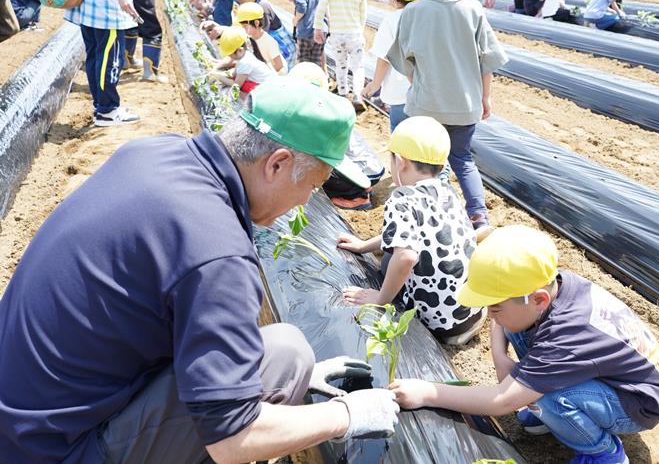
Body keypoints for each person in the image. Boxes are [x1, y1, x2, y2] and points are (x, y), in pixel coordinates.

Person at [0, 78, 401, 463]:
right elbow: (232, 438)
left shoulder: (154, 153)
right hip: (60, 451)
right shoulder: (217, 251)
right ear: (277, 164)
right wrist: (345, 415)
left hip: (25, 425)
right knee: (280, 364)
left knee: (283, 356)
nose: (304, 202)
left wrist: (272, 381)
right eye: (312, 187)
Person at [389, 225, 659, 464]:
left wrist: (428, 393)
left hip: (638, 403)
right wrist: (500, 354)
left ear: (539, 299)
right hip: (615, 377)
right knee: (518, 329)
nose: (489, 315)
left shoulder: (564, 336)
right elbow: (508, 321)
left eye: (494, 307)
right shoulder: (554, 287)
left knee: (548, 398)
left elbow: (502, 401)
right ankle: (554, 411)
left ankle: (604, 453)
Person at [387, 0, 507, 233]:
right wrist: (485, 97)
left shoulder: (413, 11)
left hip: (426, 107)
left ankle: (437, 216)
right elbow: (487, 60)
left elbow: (406, 63)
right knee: (462, 159)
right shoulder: (473, 10)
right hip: (464, 106)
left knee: (429, 164)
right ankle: (478, 215)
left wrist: (419, 86)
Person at [338, 116, 487, 344]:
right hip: (470, 313)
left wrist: (381, 299)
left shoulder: (402, 198)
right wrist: (363, 246)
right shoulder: (448, 192)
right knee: (398, 250)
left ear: (400, 162)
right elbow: (410, 234)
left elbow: (406, 256)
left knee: (391, 261)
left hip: (438, 323)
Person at [65, 0, 141, 126]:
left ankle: (101, 106)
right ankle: (107, 110)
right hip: (106, 1)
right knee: (110, 58)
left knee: (95, 56)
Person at [362, 0, 428, 131]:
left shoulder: (391, 21)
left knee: (400, 136)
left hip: (401, 94)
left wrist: (375, 85)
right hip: (426, 93)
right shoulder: (428, 17)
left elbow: (384, 60)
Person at [313, 0, 367, 109]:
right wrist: (360, 31)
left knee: (341, 64)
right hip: (354, 34)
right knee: (358, 66)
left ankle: (343, 93)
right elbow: (363, 15)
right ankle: (358, 95)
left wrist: (318, 29)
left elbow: (320, 9)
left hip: (336, 34)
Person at [282, 0, 325, 70]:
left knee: (303, 62)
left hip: (305, 31)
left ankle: (305, 80)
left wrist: (295, 20)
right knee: (316, 62)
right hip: (320, 29)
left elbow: (302, 9)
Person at [210, 26, 276, 97]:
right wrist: (217, 74)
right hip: (265, 82)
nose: (229, 57)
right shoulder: (245, 55)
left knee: (243, 87)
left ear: (239, 50)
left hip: (267, 88)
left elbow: (236, 86)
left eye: (230, 55)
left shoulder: (245, 62)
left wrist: (219, 77)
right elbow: (234, 74)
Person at [236, 2, 287, 74]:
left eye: (245, 26)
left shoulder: (269, 42)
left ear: (256, 23)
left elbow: (279, 66)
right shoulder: (248, 37)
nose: (243, 29)